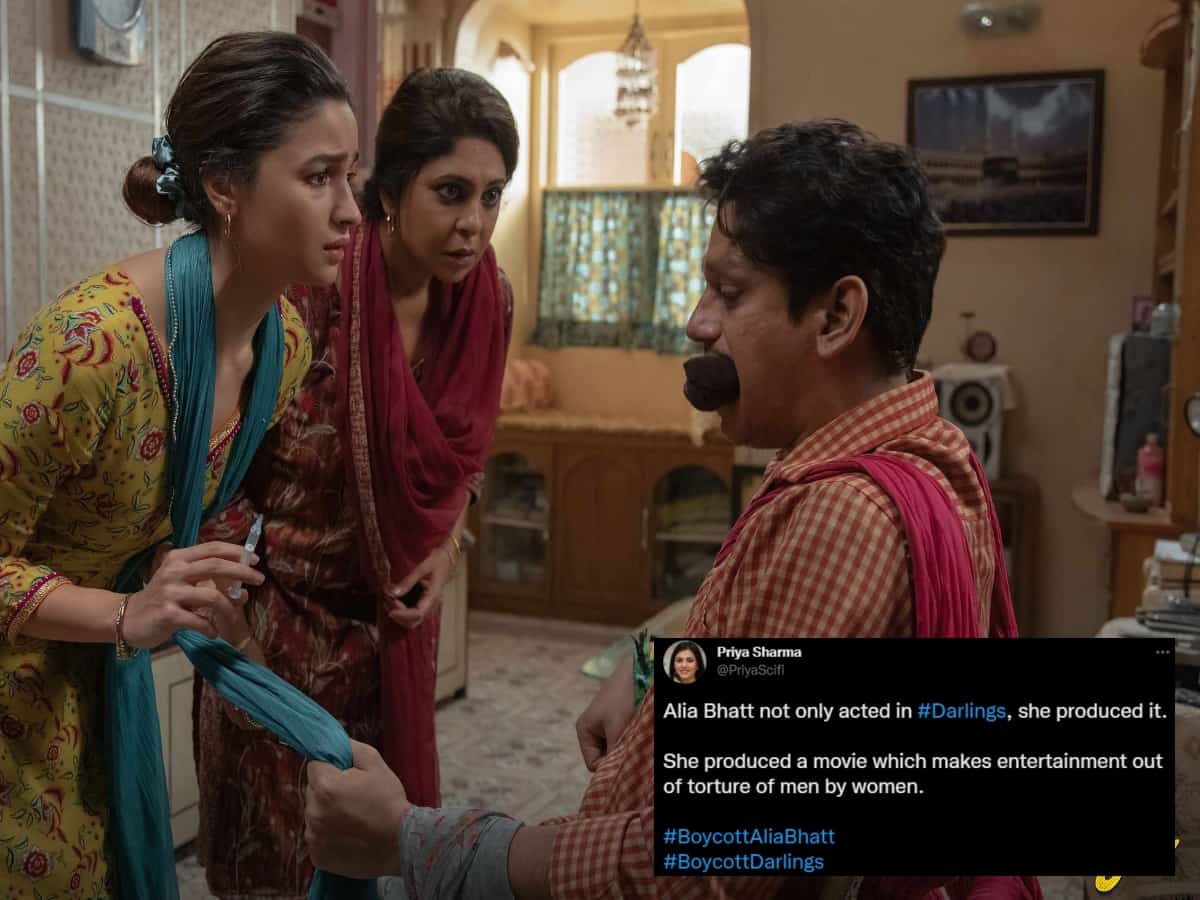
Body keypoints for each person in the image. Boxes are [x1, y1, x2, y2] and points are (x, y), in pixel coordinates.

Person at [299, 120, 1042, 899]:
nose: (698, 322)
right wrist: (655, 666)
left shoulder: (843, 517)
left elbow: (704, 866)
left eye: (730, 292)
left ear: (836, 317)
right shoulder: (930, 451)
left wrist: (426, 843)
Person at [0, 31, 359, 896]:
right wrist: (127, 613)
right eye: (319, 177)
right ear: (225, 185)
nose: (352, 210)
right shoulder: (88, 350)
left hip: (102, 676)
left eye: (353, 175)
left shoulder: (282, 343)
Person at [194, 67, 516, 899]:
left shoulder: (487, 303)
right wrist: (237, 635)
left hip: (391, 637)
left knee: (370, 862)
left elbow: (464, 457)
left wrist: (445, 548)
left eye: (492, 196)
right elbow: (214, 469)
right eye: (451, 192)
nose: (474, 224)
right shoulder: (310, 292)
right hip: (276, 631)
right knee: (275, 869)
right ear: (391, 189)